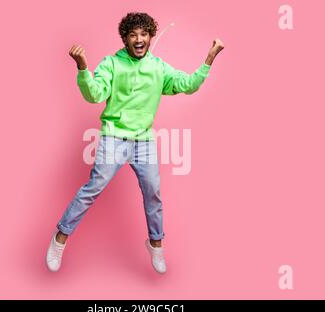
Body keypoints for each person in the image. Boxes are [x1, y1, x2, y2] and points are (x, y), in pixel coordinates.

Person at [46, 12, 224, 273]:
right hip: (114, 136)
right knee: (94, 188)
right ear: (125, 39)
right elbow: (93, 94)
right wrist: (83, 67)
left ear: (151, 37)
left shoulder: (159, 68)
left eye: (143, 34)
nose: (138, 39)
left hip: (144, 141)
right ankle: (60, 238)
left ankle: (156, 244)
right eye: (133, 35)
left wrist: (210, 58)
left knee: (153, 193)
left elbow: (187, 84)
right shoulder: (111, 64)